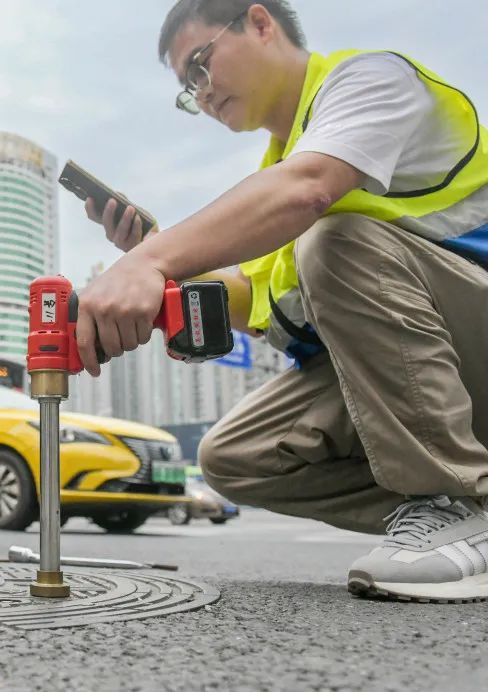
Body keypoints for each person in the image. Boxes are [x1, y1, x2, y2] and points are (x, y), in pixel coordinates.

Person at [76, 0, 488, 602]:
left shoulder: (370, 80)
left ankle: (455, 500)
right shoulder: (281, 172)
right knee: (232, 456)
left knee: (338, 240)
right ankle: (470, 515)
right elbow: (256, 304)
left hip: (471, 330)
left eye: (199, 65)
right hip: (439, 371)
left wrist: (148, 263)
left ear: (260, 22)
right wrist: (163, 259)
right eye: (187, 88)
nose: (201, 93)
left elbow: (309, 192)